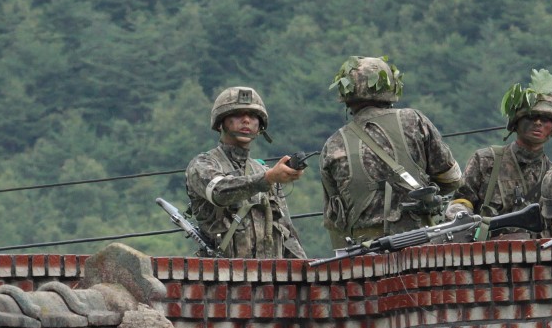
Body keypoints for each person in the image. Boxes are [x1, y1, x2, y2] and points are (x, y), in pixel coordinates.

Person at [320, 55, 462, 248]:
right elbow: (452, 179)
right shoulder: (413, 121)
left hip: (365, 254)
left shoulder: (333, 144)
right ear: (390, 87)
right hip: (418, 245)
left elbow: (335, 218)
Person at [185, 86, 307, 259]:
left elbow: (287, 234)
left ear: (260, 126)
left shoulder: (265, 172)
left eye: (252, 116)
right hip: (223, 278)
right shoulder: (202, 164)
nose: (246, 120)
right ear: (221, 122)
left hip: (271, 279)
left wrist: (308, 275)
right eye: (237, 114)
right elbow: (220, 192)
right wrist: (268, 178)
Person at [447, 69, 552, 224]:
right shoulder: (487, 161)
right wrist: (464, 219)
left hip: (539, 247)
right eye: (531, 116)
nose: (538, 123)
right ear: (516, 123)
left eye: (545, 119)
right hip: (489, 245)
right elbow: (461, 201)